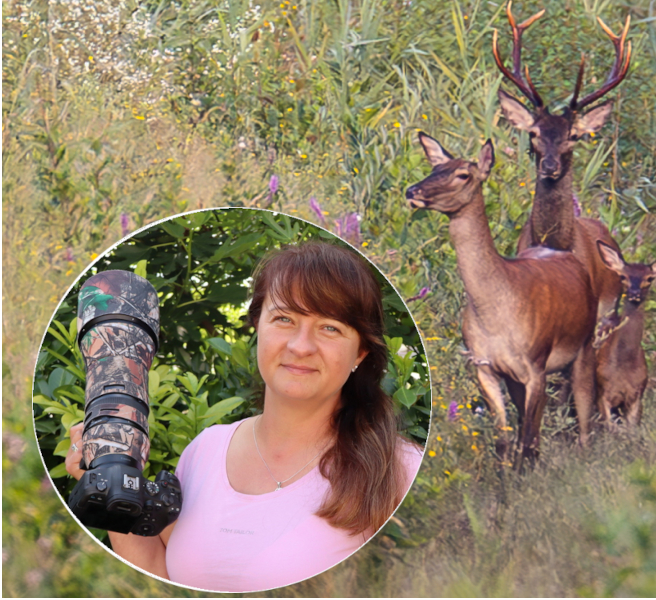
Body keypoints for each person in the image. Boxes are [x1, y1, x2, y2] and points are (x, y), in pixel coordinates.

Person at [66, 241, 424, 592]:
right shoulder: (205, 449)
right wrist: (109, 483)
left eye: (330, 327)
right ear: (257, 326)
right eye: (284, 318)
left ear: (361, 351)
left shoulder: (399, 470)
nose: (301, 345)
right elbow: (165, 575)